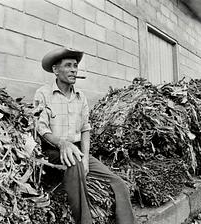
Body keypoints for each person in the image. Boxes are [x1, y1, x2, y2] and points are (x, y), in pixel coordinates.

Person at [33, 47, 135, 224]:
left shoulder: (81, 97)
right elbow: (41, 129)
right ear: (56, 70)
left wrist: (86, 158)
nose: (74, 70)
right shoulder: (43, 93)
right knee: (75, 165)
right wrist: (63, 143)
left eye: (75, 66)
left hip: (78, 150)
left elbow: (85, 130)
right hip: (53, 150)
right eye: (68, 65)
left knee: (118, 183)